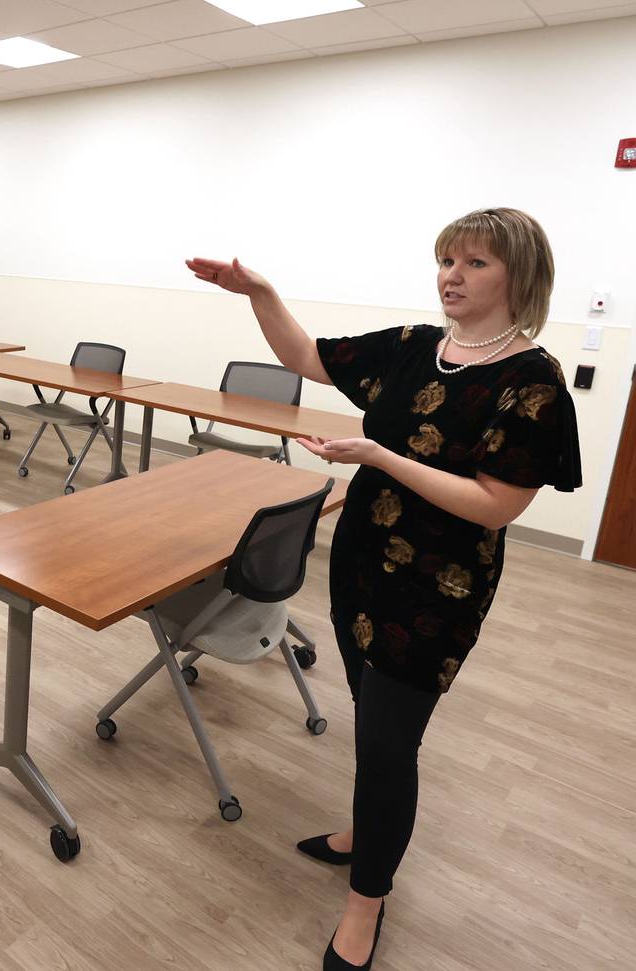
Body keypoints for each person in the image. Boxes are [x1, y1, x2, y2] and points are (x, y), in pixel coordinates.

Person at [186, 207, 581, 970]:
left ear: (518, 277)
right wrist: (259, 291)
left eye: (474, 264)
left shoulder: (533, 382)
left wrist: (377, 452)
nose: (451, 277)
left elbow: (497, 503)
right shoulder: (411, 347)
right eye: (447, 260)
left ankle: (365, 904)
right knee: (372, 717)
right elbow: (303, 354)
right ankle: (366, 832)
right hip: (362, 563)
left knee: (392, 746)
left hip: (438, 589)